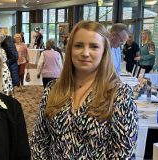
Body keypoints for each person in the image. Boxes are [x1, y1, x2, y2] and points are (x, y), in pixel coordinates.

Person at [30, 21, 138, 159]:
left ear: (104, 51)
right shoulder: (53, 89)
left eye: (94, 46)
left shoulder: (119, 95)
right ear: (70, 50)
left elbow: (124, 153)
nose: (85, 53)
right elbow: (39, 141)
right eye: (79, 46)